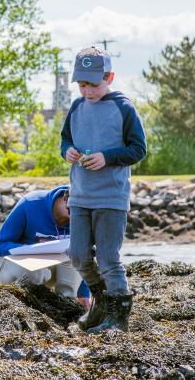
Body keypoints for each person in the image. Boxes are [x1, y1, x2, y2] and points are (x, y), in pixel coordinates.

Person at [61, 46, 147, 333]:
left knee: (109, 258)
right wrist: (68, 151)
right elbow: (64, 140)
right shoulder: (76, 107)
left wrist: (107, 157)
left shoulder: (123, 107)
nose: (87, 91)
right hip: (80, 196)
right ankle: (100, 302)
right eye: (82, 84)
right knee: (78, 256)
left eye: (93, 84)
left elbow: (138, 149)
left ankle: (118, 318)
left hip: (111, 197)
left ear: (109, 77)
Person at [0, 186, 91, 308]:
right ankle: (28, 301)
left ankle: (66, 302)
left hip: (48, 271)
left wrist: (84, 294)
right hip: (13, 267)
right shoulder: (31, 203)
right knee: (37, 272)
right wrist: (29, 250)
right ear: (66, 199)